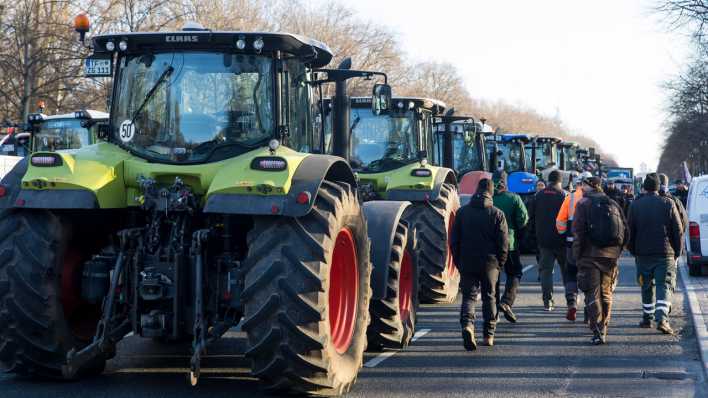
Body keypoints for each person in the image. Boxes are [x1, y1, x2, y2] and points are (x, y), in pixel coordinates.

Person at [450, 178, 509, 350]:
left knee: (469, 296)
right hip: (490, 263)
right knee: (489, 296)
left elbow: (454, 241)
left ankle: (468, 325)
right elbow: (503, 244)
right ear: (491, 192)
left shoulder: (462, 212)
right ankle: (488, 335)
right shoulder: (497, 214)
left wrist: (458, 261)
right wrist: (500, 263)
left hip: (467, 260)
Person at [573, 176, 628, 344]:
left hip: (590, 256)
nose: (581, 187)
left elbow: (578, 233)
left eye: (584, 185)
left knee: (592, 294)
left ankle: (597, 330)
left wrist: (577, 256)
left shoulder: (583, 204)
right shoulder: (613, 203)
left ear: (591, 186)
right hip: (611, 256)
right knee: (606, 293)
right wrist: (619, 251)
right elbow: (626, 229)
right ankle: (604, 327)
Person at [627, 173, 683, 334]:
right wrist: (677, 252)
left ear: (644, 187)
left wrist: (633, 250)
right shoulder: (668, 203)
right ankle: (662, 319)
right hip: (665, 254)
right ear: (659, 188)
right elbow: (677, 231)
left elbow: (630, 230)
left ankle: (647, 318)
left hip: (643, 254)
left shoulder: (635, 205)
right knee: (663, 285)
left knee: (645, 285)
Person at [530, 170, 576, 312]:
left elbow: (530, 218)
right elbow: (571, 220)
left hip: (544, 241)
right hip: (562, 241)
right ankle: (570, 301)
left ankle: (547, 302)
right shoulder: (565, 196)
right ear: (560, 181)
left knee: (545, 272)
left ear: (548, 180)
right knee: (567, 271)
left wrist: (534, 237)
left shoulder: (538, 196)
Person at [492, 171, 529, 323]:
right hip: (509, 244)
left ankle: (493, 313)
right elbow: (523, 219)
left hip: (489, 245)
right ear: (505, 182)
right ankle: (506, 302)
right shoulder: (514, 198)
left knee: (492, 279)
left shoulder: (488, 199)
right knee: (515, 273)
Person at [555, 171, 592, 321]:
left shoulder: (570, 198)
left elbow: (560, 222)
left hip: (571, 244)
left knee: (570, 273)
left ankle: (572, 303)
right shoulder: (594, 199)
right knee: (590, 276)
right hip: (590, 247)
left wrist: (565, 234)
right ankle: (590, 308)